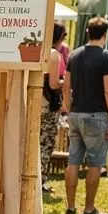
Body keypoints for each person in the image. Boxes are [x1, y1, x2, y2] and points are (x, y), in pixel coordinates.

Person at [62, 16, 108, 214]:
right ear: (105, 34)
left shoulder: (74, 55)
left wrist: (68, 109)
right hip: (97, 115)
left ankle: (70, 206)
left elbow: (66, 86)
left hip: (76, 113)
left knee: (73, 161)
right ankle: (89, 209)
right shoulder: (107, 56)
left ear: (87, 32)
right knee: (95, 163)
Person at [40, 23, 66, 196]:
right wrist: (67, 83)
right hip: (47, 104)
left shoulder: (38, 49)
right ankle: (40, 181)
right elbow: (53, 83)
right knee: (46, 144)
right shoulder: (53, 54)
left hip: (35, 103)